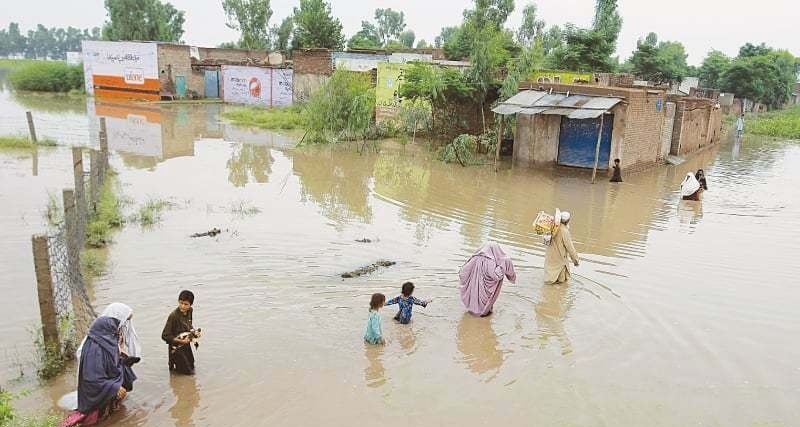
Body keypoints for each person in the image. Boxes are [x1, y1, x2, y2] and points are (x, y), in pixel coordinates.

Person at [60, 304, 140, 427]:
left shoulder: (108, 340)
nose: (121, 329)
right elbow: (92, 379)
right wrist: (115, 387)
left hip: (106, 383)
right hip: (96, 389)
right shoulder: (95, 349)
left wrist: (125, 361)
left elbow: (112, 364)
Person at [459, 242, 516, 317]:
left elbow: (463, 272)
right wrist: (503, 265)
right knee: (483, 309)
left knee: (475, 301)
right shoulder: (490, 261)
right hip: (484, 290)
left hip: (475, 288)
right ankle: (481, 317)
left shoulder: (475, 257)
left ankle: (473, 314)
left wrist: (473, 278)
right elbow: (495, 276)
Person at [162, 290, 197, 375]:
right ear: (178, 301)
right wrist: (182, 341)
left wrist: (193, 332)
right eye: (181, 303)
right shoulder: (173, 316)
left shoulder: (190, 310)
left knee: (192, 366)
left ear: (191, 305)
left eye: (186, 304)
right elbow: (165, 336)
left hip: (186, 344)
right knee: (188, 373)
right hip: (176, 347)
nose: (183, 306)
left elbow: (188, 324)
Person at [543, 211, 580, 284]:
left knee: (549, 280)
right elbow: (570, 248)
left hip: (550, 257)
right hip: (560, 259)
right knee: (561, 282)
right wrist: (575, 260)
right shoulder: (564, 231)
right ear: (567, 221)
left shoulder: (552, 227)